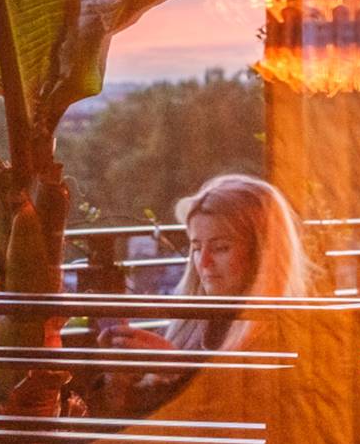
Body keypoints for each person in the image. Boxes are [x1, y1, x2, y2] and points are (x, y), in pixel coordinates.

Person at [93, 173, 312, 411]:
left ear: (263, 255)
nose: (203, 262)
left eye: (221, 248)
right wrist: (118, 373)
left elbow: (244, 416)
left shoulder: (287, 333)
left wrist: (178, 370)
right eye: (196, 248)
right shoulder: (192, 322)